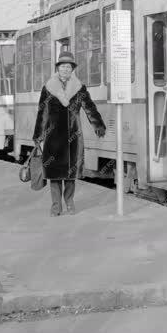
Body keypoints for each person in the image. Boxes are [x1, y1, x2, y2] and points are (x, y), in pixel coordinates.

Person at [32, 51, 106, 216]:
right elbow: (42, 112)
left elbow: (89, 107)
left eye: (69, 67)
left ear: (72, 69)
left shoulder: (79, 87)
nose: (66, 69)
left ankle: (70, 202)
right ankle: (56, 206)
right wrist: (38, 135)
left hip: (73, 136)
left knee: (70, 175)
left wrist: (98, 124)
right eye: (63, 66)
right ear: (58, 68)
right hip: (53, 137)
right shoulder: (48, 88)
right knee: (55, 175)